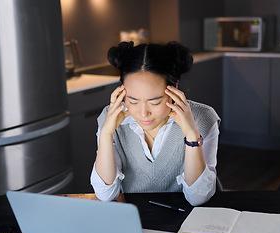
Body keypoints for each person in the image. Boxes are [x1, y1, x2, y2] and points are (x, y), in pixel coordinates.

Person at [90, 41, 221, 206]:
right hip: (136, 219)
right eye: (133, 100)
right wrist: (106, 134)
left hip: (186, 218)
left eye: (155, 102)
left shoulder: (202, 118)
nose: (143, 113)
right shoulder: (111, 118)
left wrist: (192, 136)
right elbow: (105, 194)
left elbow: (198, 198)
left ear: (175, 88)